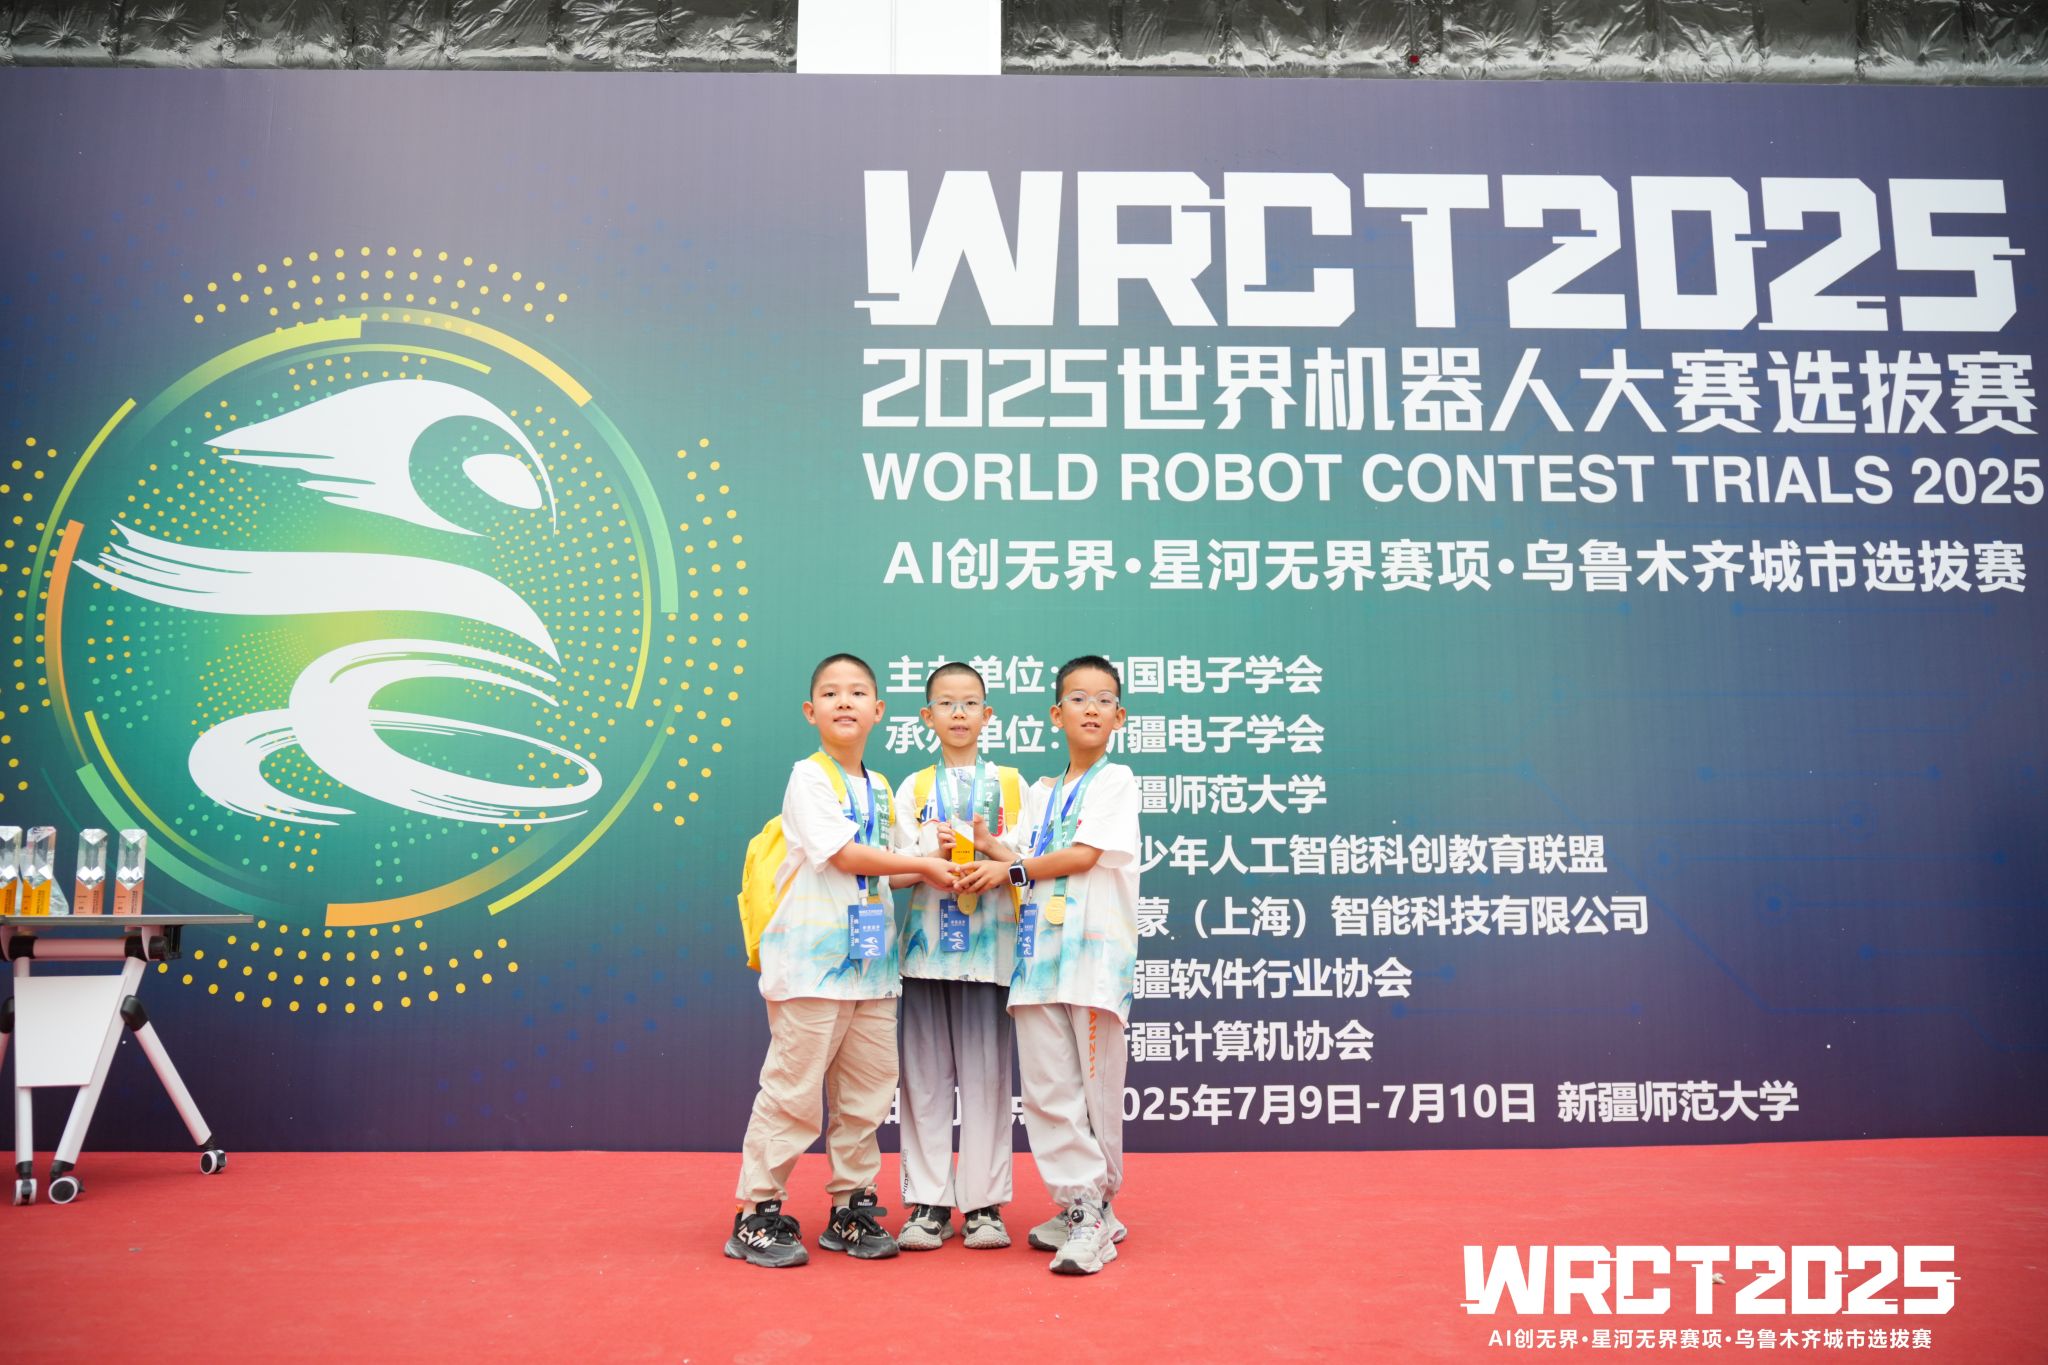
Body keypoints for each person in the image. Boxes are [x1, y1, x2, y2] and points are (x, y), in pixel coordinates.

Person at [725, 653, 959, 1269]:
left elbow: (891, 872)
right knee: (793, 1091)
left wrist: (938, 863)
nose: (845, 702)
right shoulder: (808, 777)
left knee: (866, 1095)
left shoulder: (879, 787)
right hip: (810, 965)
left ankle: (850, 1206)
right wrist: (922, 862)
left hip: (872, 970)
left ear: (878, 711)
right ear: (811, 711)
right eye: (831, 693)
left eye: (858, 693)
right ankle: (756, 1211)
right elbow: (847, 856)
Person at [956, 655, 1139, 1276]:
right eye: (1079, 698)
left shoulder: (1116, 782)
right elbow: (1025, 856)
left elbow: (1083, 855)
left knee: (1093, 1093)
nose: (1092, 708)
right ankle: (1079, 1206)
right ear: (1056, 715)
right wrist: (990, 847)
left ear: (1119, 716)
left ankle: (1096, 1209)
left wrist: (1006, 867)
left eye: (1104, 699)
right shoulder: (1041, 793)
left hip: (1092, 962)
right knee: (1047, 1093)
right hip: (1036, 961)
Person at [891, 662, 1027, 1251]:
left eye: (970, 703)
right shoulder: (913, 788)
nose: (959, 714)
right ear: (927, 716)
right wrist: (931, 852)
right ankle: (927, 1202)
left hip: (992, 954)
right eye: (946, 704)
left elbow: (1030, 862)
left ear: (987, 714)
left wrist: (992, 850)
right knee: (922, 1080)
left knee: (988, 1080)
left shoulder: (1014, 785)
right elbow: (891, 868)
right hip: (925, 955)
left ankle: (984, 1204)